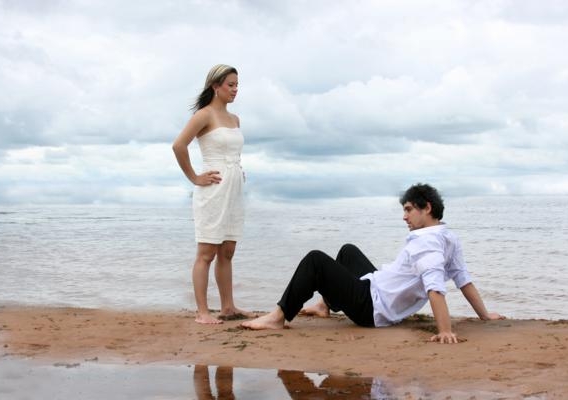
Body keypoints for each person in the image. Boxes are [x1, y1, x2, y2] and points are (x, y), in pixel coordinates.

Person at [241, 183, 505, 343]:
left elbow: (435, 287)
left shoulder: (426, 243)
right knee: (348, 251)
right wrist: (484, 316)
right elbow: (463, 279)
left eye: (409, 209)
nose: (404, 217)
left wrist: (445, 331)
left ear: (427, 208)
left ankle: (278, 317)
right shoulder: (448, 236)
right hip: (377, 289)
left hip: (372, 308)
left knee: (315, 261)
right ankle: (325, 305)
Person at [173, 64, 254, 324]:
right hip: (212, 190)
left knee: (227, 250)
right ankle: (202, 312)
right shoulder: (204, 115)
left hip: (233, 190)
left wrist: (238, 170)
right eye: (230, 85)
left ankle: (228, 307)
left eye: (237, 85)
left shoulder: (235, 119)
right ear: (215, 87)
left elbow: (233, 152)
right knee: (207, 251)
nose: (235, 89)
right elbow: (178, 146)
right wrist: (195, 177)